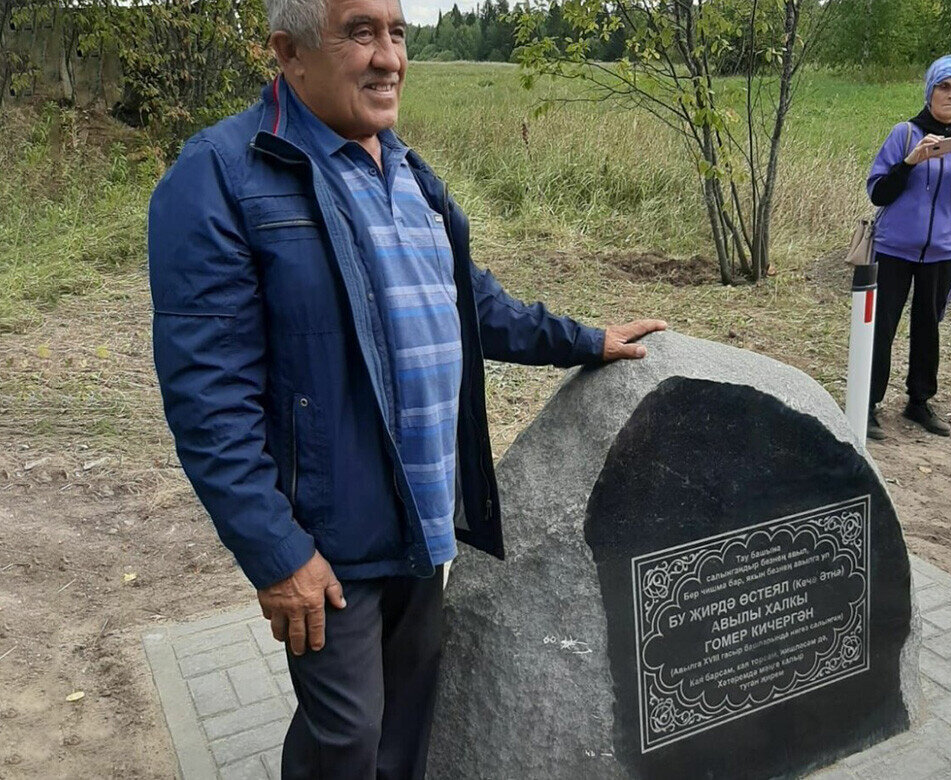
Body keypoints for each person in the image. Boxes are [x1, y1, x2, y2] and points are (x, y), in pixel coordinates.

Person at [146, 0, 666, 776]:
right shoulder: (220, 176)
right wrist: (279, 553)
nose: (389, 57)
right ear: (288, 53)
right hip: (330, 543)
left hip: (425, 521)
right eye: (360, 33)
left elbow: (470, 301)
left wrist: (584, 340)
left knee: (403, 736)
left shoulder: (407, 169)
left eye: (396, 33)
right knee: (345, 741)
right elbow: (207, 399)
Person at [865, 54, 951, 439]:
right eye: (944, 86)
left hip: (942, 253)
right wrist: (910, 160)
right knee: (881, 328)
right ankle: (867, 404)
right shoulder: (904, 133)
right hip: (893, 250)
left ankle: (918, 403)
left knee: (928, 328)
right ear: (929, 91)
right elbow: (878, 191)